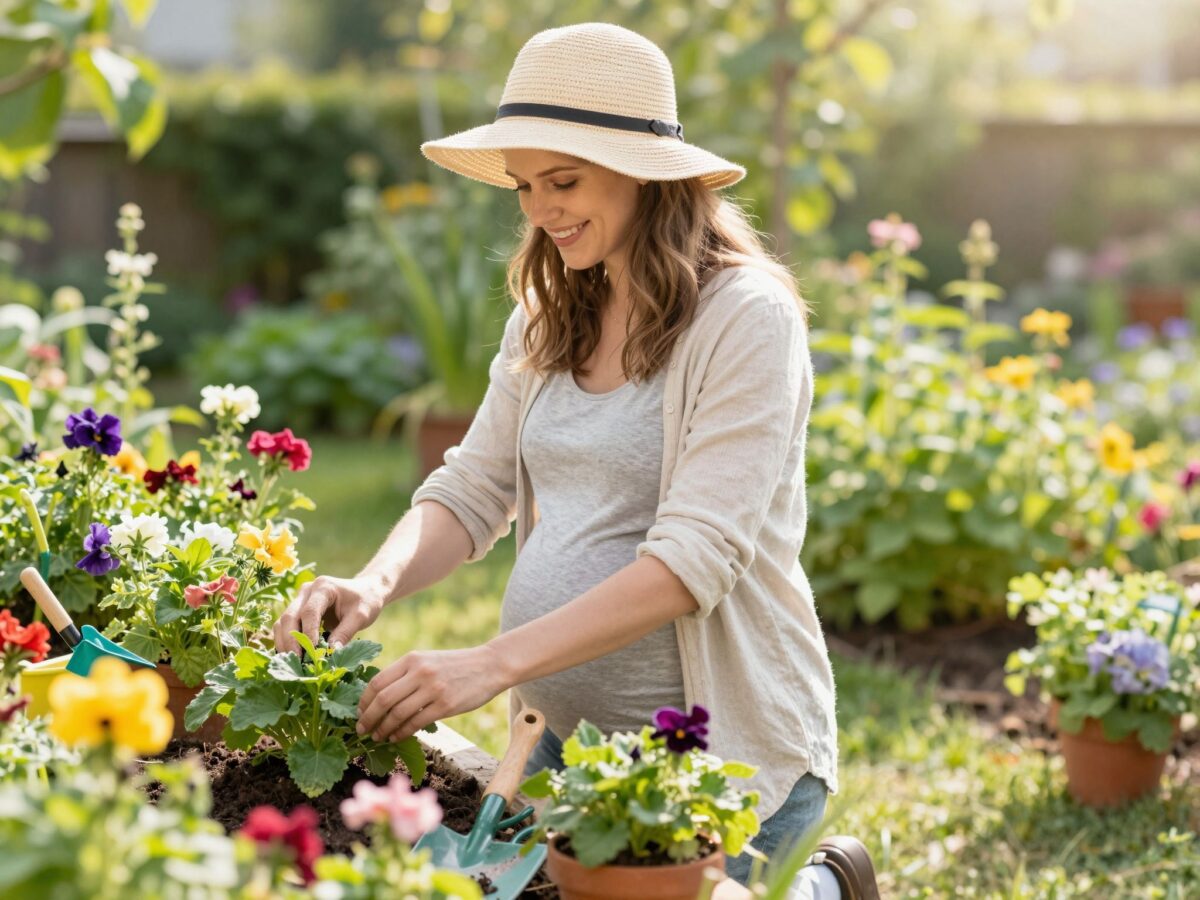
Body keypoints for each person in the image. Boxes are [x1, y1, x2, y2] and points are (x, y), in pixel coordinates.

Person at [274, 22, 879, 898]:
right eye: (524, 186)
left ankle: (827, 886)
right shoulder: (550, 309)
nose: (538, 210)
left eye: (562, 181)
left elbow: (694, 561)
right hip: (566, 751)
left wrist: (491, 662)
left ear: (645, 173)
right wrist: (372, 584)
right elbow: (474, 485)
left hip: (714, 763)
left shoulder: (745, 318)